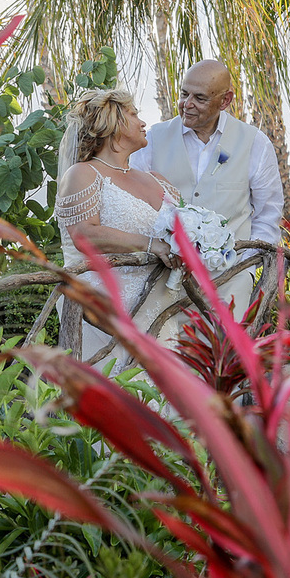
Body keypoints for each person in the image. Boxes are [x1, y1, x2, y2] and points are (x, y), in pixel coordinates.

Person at [129, 59, 284, 318]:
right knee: (166, 355)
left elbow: (268, 215)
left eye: (199, 98)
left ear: (225, 101)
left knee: (221, 357)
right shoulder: (154, 139)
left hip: (229, 282)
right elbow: (135, 204)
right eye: (183, 94)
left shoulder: (255, 143)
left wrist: (246, 269)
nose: (187, 105)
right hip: (162, 279)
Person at [56, 88, 187, 369]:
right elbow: (83, 234)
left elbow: (185, 227)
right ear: (112, 122)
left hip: (162, 305)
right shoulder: (84, 173)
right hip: (107, 314)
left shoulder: (157, 180)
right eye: (133, 114)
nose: (143, 122)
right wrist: (151, 244)